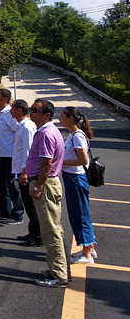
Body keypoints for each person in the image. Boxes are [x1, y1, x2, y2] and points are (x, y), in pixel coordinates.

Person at [19, 99, 67, 288]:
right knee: (53, 228)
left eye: (35, 110)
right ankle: (60, 269)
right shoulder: (47, 131)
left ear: (47, 114)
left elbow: (47, 164)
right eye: (31, 109)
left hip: (46, 185)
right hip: (47, 183)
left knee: (50, 230)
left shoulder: (46, 134)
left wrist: (38, 186)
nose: (31, 113)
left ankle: (59, 275)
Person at [59, 106, 98, 263]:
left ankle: (87, 253)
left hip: (76, 178)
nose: (59, 119)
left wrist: (61, 162)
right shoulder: (73, 135)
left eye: (62, 117)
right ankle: (89, 248)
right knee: (79, 213)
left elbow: (83, 159)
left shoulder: (77, 136)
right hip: (72, 177)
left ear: (70, 119)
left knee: (80, 214)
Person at [11, 99, 41, 246]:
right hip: (21, 170)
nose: (10, 110)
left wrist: (25, 172)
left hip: (26, 172)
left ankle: (37, 236)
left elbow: (28, 152)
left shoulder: (27, 127)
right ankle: (32, 232)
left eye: (12, 108)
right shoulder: (21, 126)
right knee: (28, 205)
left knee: (31, 205)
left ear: (19, 110)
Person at [0, 88, 23, 223]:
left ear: (5, 98)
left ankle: (18, 214)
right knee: (1, 185)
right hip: (0, 153)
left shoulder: (10, 114)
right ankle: (4, 211)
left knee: (13, 186)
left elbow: (17, 132)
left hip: (10, 155)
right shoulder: (0, 113)